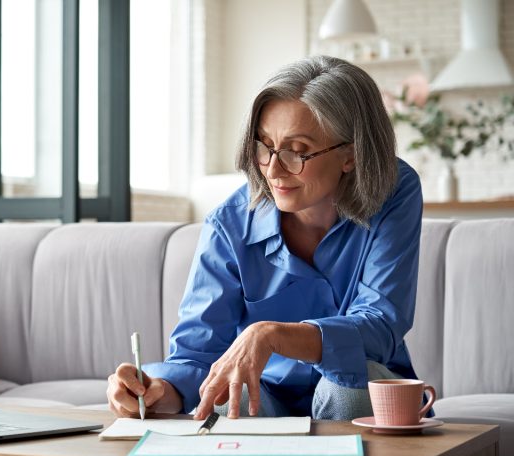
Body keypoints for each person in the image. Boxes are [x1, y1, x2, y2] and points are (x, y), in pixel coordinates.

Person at [107, 55, 423, 422]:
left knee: (346, 385)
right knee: (230, 397)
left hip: (359, 387)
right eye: (264, 147)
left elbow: (381, 323)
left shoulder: (394, 190)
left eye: (296, 151)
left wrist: (272, 335)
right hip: (266, 393)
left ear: (350, 156)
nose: (273, 170)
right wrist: (157, 391)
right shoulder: (229, 224)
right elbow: (197, 353)